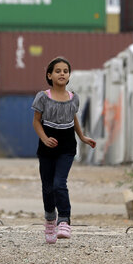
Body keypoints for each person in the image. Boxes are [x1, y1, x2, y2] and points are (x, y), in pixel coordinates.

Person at [31, 57, 96, 244]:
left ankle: (65, 220)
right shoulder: (43, 97)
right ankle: (50, 220)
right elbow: (36, 121)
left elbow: (73, 118)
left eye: (65, 71)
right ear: (49, 75)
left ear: (69, 76)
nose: (62, 73)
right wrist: (44, 138)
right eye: (57, 71)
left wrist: (82, 137)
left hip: (67, 147)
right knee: (48, 187)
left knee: (60, 183)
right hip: (46, 147)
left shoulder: (74, 98)